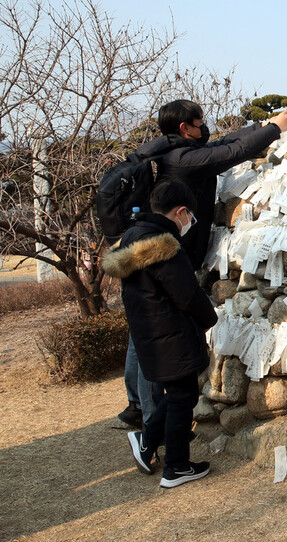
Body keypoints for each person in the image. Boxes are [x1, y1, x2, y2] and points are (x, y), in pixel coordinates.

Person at [116, 100, 287, 429]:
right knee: (152, 338)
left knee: (140, 334)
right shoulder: (183, 158)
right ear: (185, 128)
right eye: (200, 123)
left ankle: (135, 405)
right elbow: (224, 155)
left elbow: (221, 144)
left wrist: (257, 127)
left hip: (151, 249)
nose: (204, 128)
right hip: (163, 254)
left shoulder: (173, 149)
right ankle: (148, 416)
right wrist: (274, 130)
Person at [102, 180, 218, 488]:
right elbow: (187, 294)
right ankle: (176, 467)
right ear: (181, 212)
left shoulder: (133, 236)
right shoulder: (162, 246)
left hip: (150, 332)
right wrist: (209, 318)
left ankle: (147, 440)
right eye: (189, 216)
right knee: (182, 397)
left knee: (180, 394)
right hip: (171, 331)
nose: (189, 223)